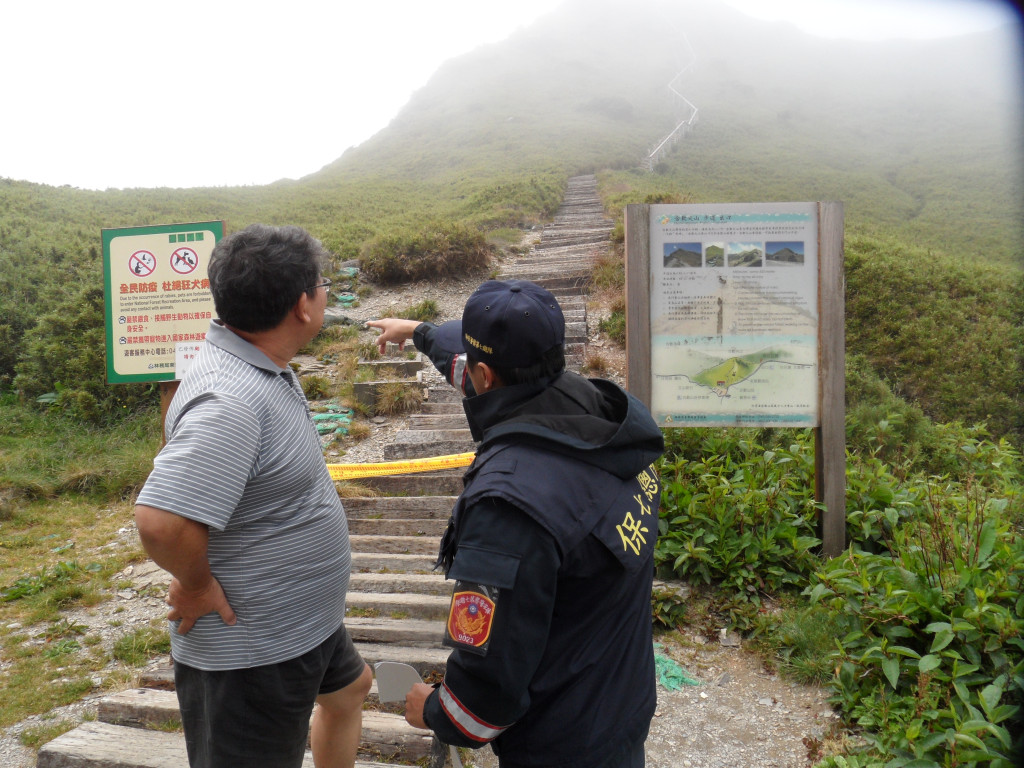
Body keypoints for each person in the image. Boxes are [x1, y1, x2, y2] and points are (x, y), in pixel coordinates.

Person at [367, 279, 665, 768]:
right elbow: (467, 365)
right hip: (618, 706)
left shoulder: (509, 506)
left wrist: (435, 710)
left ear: (487, 374)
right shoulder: (599, 418)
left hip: (558, 742)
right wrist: (420, 332)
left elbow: (488, 690)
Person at [134, 224, 372, 768]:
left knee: (350, 690)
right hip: (253, 650)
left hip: (304, 621)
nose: (326, 291)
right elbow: (160, 523)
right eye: (321, 283)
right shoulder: (232, 397)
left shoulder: (258, 363)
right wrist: (195, 584)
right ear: (302, 306)